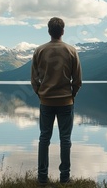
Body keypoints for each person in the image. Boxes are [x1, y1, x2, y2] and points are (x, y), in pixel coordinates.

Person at [31, 17, 82, 185]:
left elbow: (34, 80)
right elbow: (77, 80)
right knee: (65, 139)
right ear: (63, 31)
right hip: (66, 102)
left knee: (44, 138)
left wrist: (42, 94)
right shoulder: (71, 51)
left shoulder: (39, 51)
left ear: (48, 31)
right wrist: (71, 95)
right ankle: (65, 178)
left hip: (46, 102)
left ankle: (42, 178)